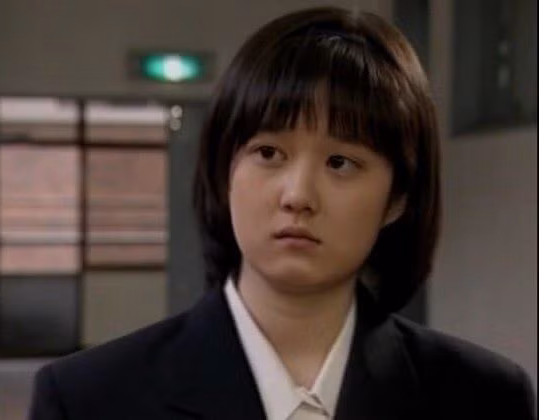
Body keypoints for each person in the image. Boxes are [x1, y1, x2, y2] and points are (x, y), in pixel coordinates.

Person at [29, 6, 536, 420]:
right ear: (225, 170)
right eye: (269, 153)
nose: (297, 195)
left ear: (397, 198)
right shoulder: (88, 398)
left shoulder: (485, 399)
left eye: (340, 163)